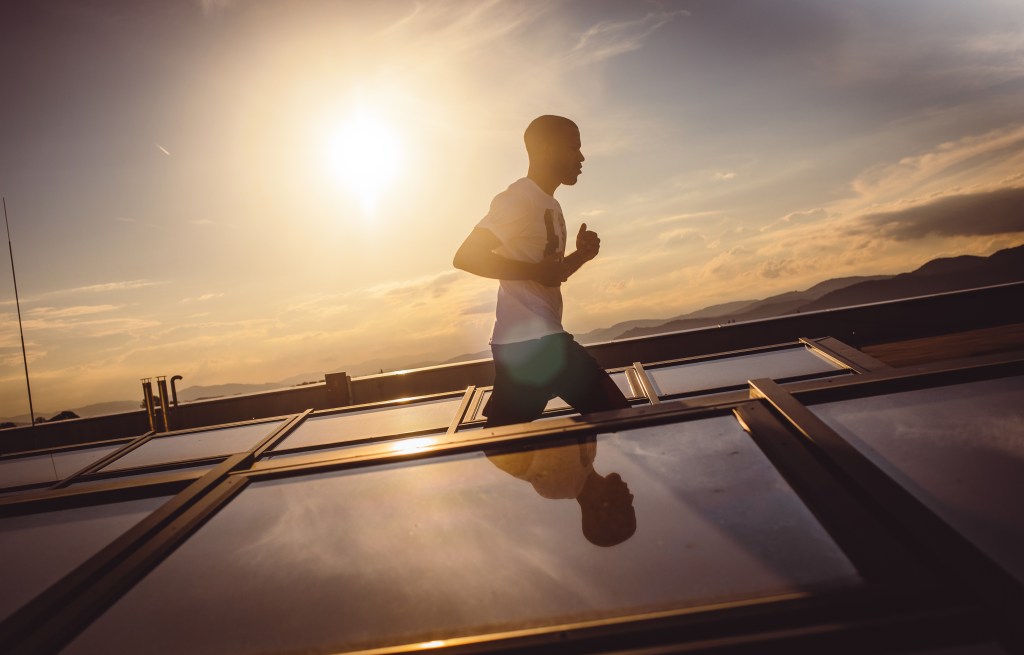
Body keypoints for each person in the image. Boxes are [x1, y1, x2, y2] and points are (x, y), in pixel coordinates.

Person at [454, 115, 630, 427]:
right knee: (620, 417)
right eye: (574, 148)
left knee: (505, 439)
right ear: (548, 149)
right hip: (537, 343)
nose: (581, 157)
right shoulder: (518, 199)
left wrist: (581, 257)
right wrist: (535, 271)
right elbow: (467, 256)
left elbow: (550, 276)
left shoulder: (550, 204)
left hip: (524, 344)